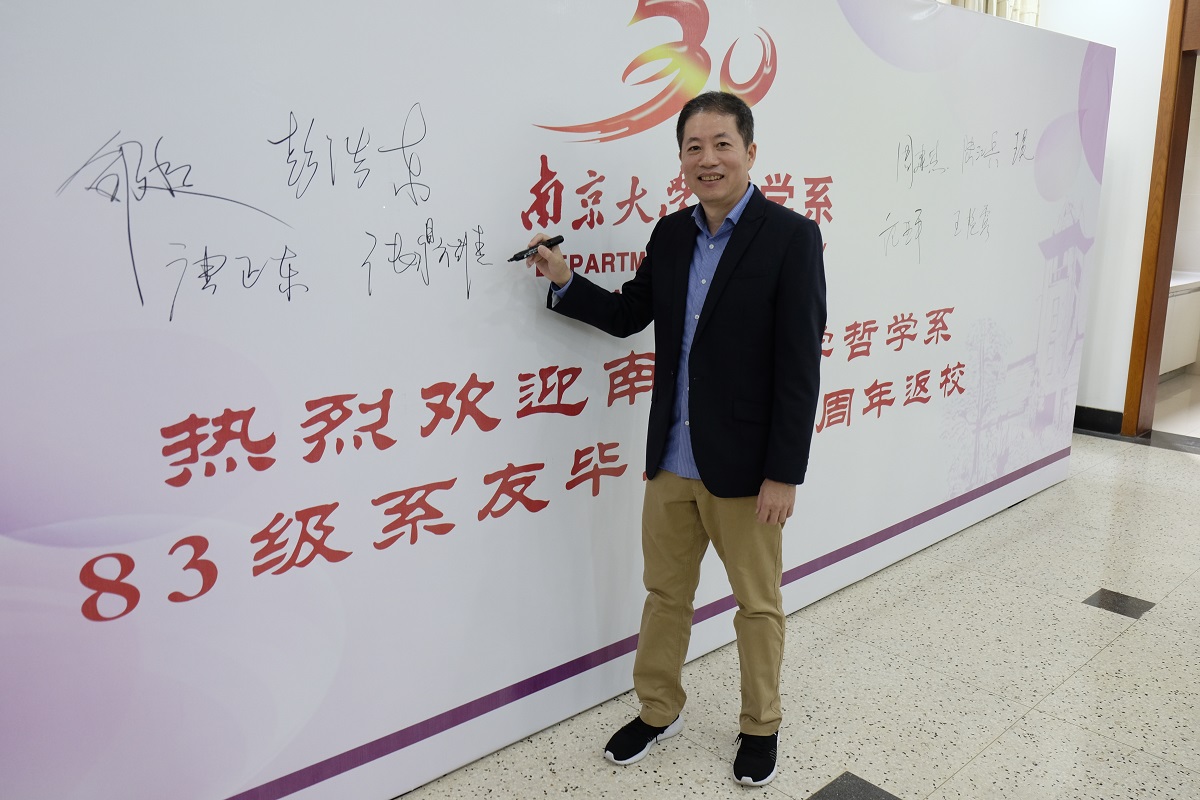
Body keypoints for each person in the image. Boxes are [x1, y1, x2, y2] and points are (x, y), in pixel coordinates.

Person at [523, 91, 826, 787]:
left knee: (757, 603)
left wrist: (784, 472)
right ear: (681, 160)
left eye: (722, 145)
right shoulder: (671, 235)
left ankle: (761, 724)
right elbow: (630, 314)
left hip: (747, 467)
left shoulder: (790, 237)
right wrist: (566, 281)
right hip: (670, 458)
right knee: (665, 595)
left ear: (750, 152)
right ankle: (658, 709)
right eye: (694, 147)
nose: (707, 159)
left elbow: (798, 365)